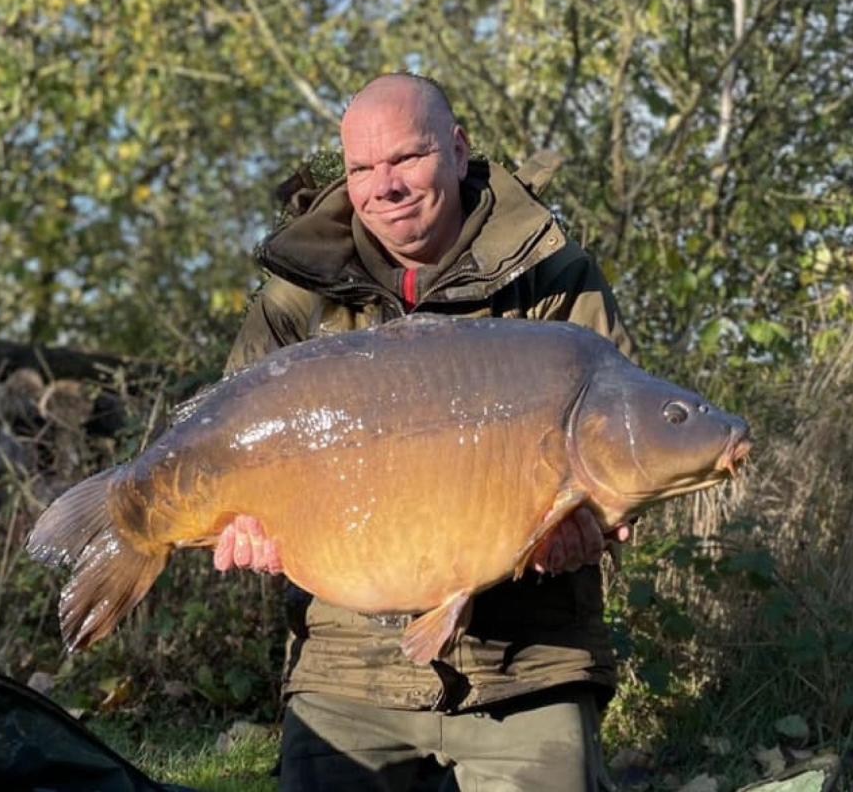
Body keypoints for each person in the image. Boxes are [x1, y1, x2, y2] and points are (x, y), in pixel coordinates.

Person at [216, 73, 635, 791]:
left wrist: (584, 521)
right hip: (348, 670)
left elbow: (620, 446)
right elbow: (231, 448)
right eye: (361, 170)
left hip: (528, 666)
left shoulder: (557, 276)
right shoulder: (297, 299)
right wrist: (243, 527)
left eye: (406, 159)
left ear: (458, 147)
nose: (385, 187)